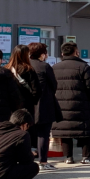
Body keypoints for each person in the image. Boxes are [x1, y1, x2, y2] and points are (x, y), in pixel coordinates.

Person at [52, 42, 90, 164]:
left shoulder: (54, 68)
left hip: (60, 105)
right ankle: (87, 156)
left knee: (65, 130)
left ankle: (68, 157)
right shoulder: (84, 67)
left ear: (62, 53)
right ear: (76, 52)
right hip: (81, 105)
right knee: (84, 130)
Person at [28, 43, 63, 171]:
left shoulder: (24, 65)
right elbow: (53, 85)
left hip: (27, 105)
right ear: (42, 54)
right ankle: (43, 161)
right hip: (44, 104)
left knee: (28, 133)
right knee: (43, 134)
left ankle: (27, 161)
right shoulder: (44, 66)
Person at [6, 45, 41, 157]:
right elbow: (36, 90)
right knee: (28, 127)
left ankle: (12, 149)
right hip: (26, 105)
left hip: (11, 105)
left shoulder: (6, 69)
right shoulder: (28, 69)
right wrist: (33, 101)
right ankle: (30, 150)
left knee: (12, 126)